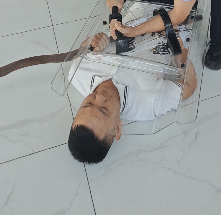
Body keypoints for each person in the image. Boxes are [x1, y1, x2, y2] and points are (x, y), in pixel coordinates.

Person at [67, 32, 197, 164]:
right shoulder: (147, 103)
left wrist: (95, 41)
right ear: (117, 128)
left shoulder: (78, 73)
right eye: (104, 109)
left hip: (129, 20)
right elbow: (189, 86)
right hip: (172, 28)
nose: (100, 96)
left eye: (88, 104)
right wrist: (179, 50)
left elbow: (86, 46)